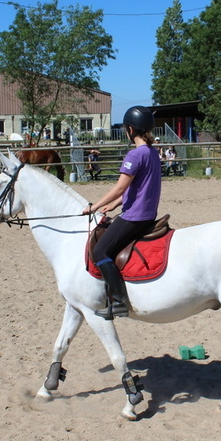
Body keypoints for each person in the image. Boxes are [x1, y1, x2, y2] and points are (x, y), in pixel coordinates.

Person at [82, 106, 162, 320]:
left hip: (134, 216)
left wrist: (95, 206)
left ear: (129, 129)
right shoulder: (153, 153)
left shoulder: (135, 155)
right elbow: (137, 187)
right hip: (148, 214)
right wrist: (116, 204)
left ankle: (119, 301)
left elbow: (120, 187)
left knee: (100, 252)